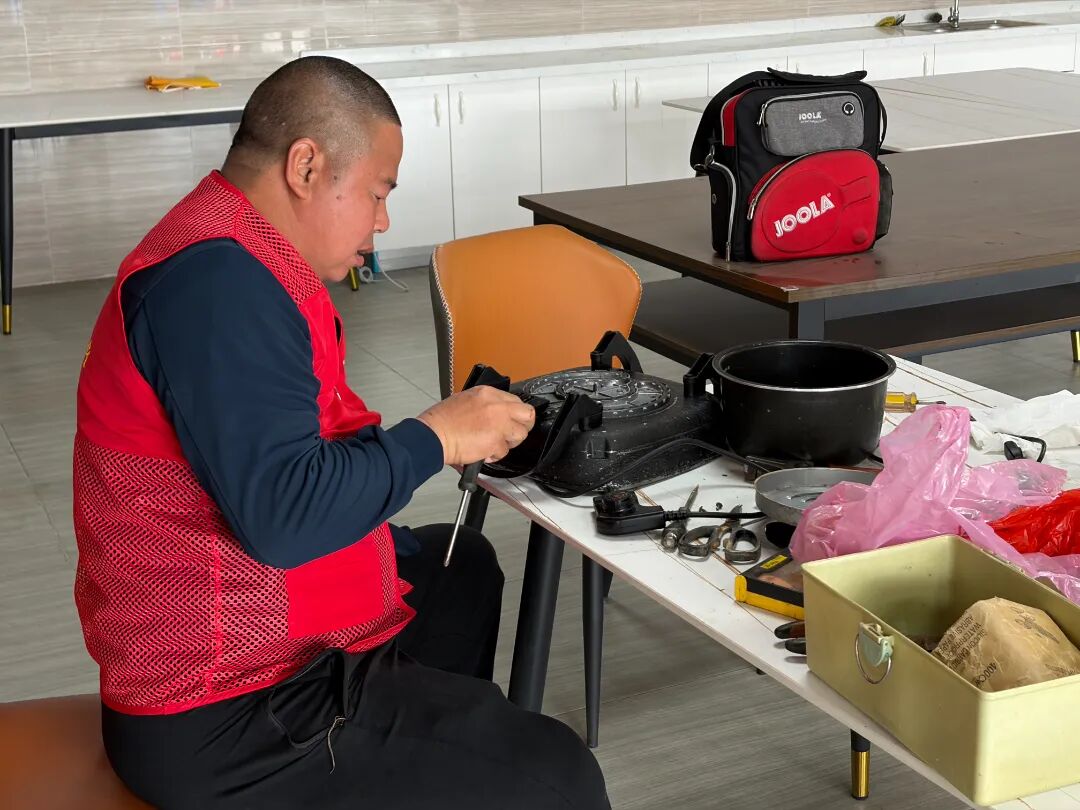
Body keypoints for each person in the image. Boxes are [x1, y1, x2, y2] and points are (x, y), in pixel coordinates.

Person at [73, 55, 609, 809]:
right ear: (306, 167)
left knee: (461, 571)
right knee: (558, 772)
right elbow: (285, 516)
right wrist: (436, 438)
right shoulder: (217, 287)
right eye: (377, 192)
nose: (383, 221)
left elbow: (300, 453)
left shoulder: (238, 254)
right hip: (222, 709)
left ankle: (431, 763)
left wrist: (445, 439)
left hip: (255, 642)